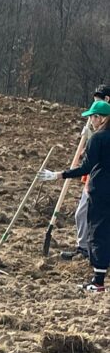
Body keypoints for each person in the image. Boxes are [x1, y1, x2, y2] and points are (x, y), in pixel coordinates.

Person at [40, 100, 110, 293]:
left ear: (101, 118)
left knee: (97, 233)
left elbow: (86, 168)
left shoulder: (98, 139)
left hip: (100, 191)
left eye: (93, 117)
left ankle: (98, 282)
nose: (91, 121)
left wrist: (59, 174)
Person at [64, 84, 110, 261]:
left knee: (88, 214)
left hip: (99, 178)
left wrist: (63, 174)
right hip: (96, 176)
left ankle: (88, 249)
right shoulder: (95, 124)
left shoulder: (103, 131)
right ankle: (86, 247)